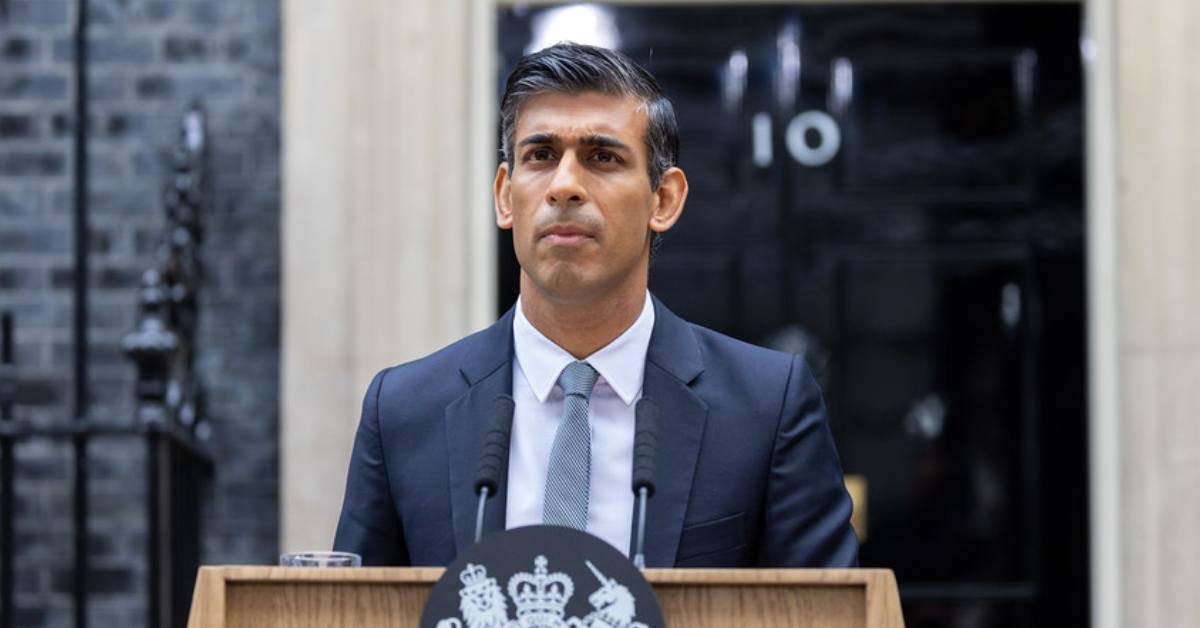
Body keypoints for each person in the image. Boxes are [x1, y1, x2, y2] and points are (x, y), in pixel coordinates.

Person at [333, 43, 858, 568]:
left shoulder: (767, 407)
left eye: (602, 157)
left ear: (664, 200)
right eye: (540, 156)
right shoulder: (403, 410)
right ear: (503, 195)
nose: (564, 185)